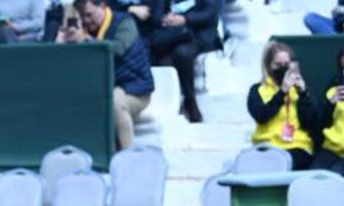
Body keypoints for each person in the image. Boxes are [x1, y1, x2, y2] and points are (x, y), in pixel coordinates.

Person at [58, 0, 155, 150]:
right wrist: (63, 42)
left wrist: (84, 40)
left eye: (90, 15)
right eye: (83, 16)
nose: (86, 20)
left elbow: (115, 49)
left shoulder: (124, 22)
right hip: (102, 89)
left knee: (115, 102)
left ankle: (128, 155)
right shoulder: (85, 29)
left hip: (135, 90)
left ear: (102, 6)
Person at [147, 0, 222, 123]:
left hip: (198, 35)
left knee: (181, 53)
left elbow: (210, 13)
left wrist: (185, 19)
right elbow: (155, 15)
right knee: (150, 49)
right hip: (171, 34)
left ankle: (189, 100)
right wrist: (166, 19)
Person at [248, 41, 318, 171]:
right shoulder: (257, 90)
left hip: (297, 145)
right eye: (278, 65)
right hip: (267, 146)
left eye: (286, 65)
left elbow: (309, 122)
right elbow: (261, 115)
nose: (283, 68)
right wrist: (282, 92)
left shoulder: (300, 90)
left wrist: (303, 94)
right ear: (268, 66)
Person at [313, 48, 344, 176]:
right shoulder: (333, 91)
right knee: (313, 176)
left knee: (336, 176)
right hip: (331, 149)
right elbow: (320, 124)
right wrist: (329, 105)